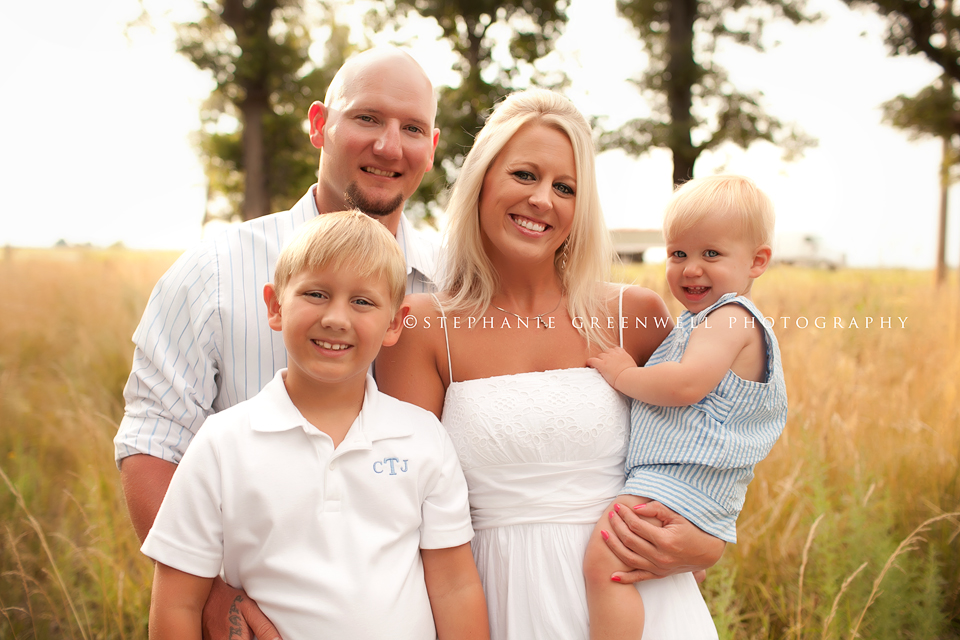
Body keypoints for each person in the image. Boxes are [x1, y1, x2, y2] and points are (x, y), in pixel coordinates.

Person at [114, 47, 442, 638]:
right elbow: (152, 444)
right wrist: (214, 601)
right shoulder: (212, 273)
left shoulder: (455, 283)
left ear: (432, 147)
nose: (390, 146)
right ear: (320, 124)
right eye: (367, 118)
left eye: (412, 128)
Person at [376, 88, 722, 640]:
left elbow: (707, 451)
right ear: (483, 180)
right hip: (496, 604)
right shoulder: (421, 326)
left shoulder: (633, 313)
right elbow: (402, 506)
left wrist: (710, 541)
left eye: (565, 187)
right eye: (524, 175)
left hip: (641, 604)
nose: (543, 200)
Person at [142, 210, 488, 639]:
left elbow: (455, 587)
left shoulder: (423, 437)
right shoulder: (222, 443)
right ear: (275, 306)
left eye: (362, 301)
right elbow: (177, 601)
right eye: (316, 294)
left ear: (394, 324)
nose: (336, 319)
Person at [583, 175, 788, 639]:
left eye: (710, 254)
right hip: (685, 483)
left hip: (681, 478)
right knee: (658, 579)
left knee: (604, 561)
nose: (690, 268)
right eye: (679, 254)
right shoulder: (698, 323)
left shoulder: (730, 319)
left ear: (757, 261)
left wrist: (622, 375)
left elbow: (685, 386)